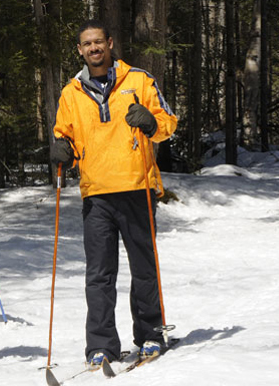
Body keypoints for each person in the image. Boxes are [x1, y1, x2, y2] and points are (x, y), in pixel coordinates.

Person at [50, 20, 178, 367]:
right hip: (97, 193)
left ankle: (151, 334)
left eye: (98, 42)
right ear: (80, 50)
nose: (93, 48)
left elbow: (167, 121)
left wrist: (151, 124)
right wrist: (63, 150)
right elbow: (66, 135)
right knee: (99, 274)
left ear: (110, 43)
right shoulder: (71, 92)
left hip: (137, 186)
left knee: (144, 269)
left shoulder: (138, 80)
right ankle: (101, 345)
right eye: (86, 44)